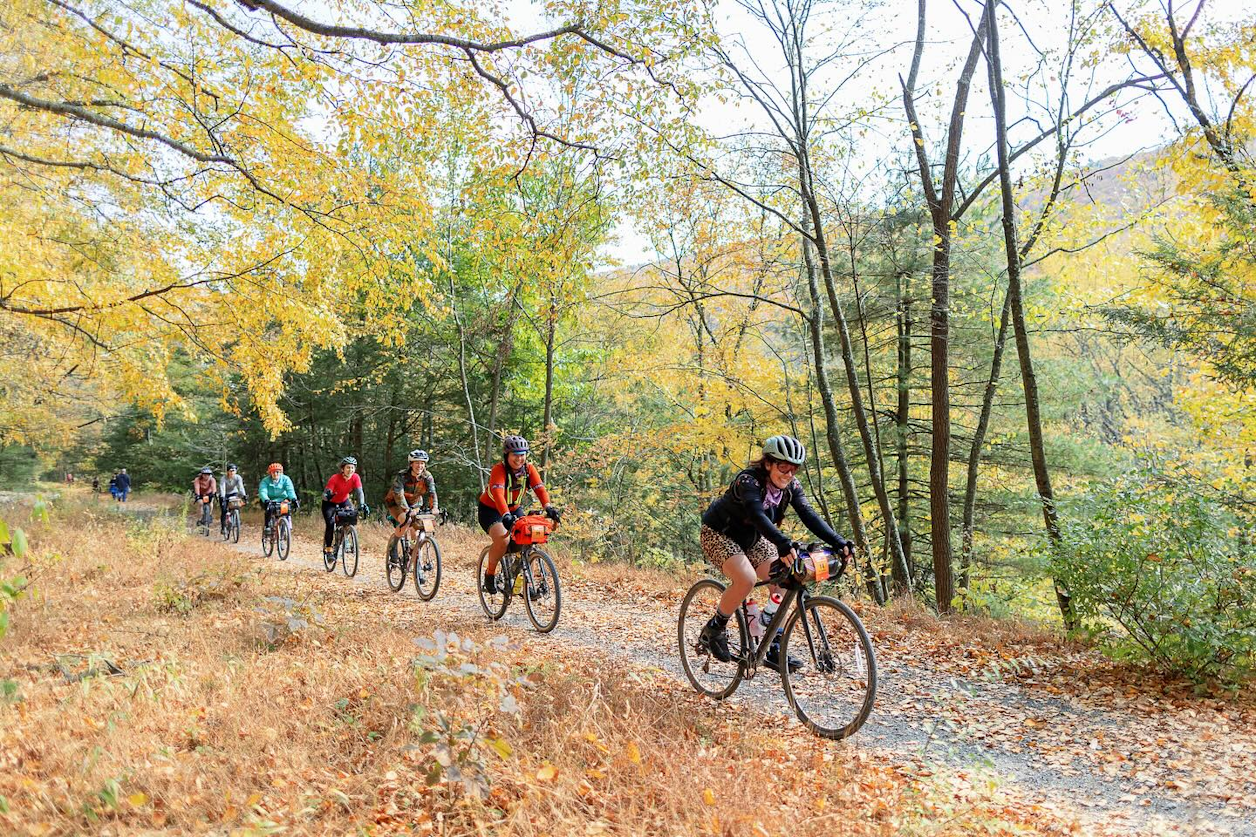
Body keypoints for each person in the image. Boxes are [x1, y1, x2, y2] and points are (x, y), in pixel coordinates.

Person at [697, 435, 854, 673]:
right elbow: (757, 515)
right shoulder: (748, 481)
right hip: (720, 533)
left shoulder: (791, 486)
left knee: (786, 578)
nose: (788, 474)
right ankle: (715, 628)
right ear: (768, 463)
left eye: (794, 469)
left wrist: (838, 541)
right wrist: (782, 542)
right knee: (746, 579)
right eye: (783, 466)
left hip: (754, 538)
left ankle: (773, 644)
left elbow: (808, 514)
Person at [477, 435, 560, 594]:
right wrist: (506, 516)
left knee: (529, 536)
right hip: (490, 510)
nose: (519, 458)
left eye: (522, 454)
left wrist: (548, 507)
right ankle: (490, 574)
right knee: (503, 540)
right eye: (515, 455)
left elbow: (540, 488)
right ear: (507, 455)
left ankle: (525, 583)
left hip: (514, 508)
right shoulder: (498, 470)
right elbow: (499, 495)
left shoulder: (529, 469)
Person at [383, 450, 439, 557]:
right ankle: (393, 546)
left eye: (422, 463)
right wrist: (406, 509)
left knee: (419, 526)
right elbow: (398, 494)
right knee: (407, 520)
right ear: (411, 464)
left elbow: (432, 492)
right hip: (396, 503)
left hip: (415, 504)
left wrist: (435, 507)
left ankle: (413, 547)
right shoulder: (402, 476)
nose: (420, 465)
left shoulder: (427, 476)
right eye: (417, 463)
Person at [322, 457, 368, 559]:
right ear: (342, 469)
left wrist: (362, 504)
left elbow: (360, 492)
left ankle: (344, 539)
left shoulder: (355, 477)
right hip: (329, 503)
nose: (350, 470)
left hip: (343, 501)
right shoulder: (335, 478)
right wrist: (328, 495)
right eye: (348, 468)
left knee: (350, 517)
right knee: (330, 523)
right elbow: (325, 494)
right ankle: (329, 549)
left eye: (352, 468)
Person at [258, 463, 298, 530]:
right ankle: (267, 526)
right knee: (269, 510)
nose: (275, 474)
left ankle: (287, 524)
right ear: (270, 473)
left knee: (287, 509)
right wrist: (266, 499)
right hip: (269, 500)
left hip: (282, 499)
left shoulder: (286, 479)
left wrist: (294, 499)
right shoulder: (265, 481)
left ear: (281, 472)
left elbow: (290, 490)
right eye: (273, 472)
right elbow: (262, 491)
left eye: (277, 472)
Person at [218, 464, 247, 534]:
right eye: (230, 471)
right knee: (224, 510)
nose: (232, 473)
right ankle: (223, 527)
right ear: (227, 472)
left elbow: (241, 487)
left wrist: (244, 495)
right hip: (225, 494)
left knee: (236, 505)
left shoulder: (238, 477)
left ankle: (237, 518)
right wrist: (223, 496)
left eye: (233, 471)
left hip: (234, 493)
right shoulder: (223, 478)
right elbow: (222, 487)